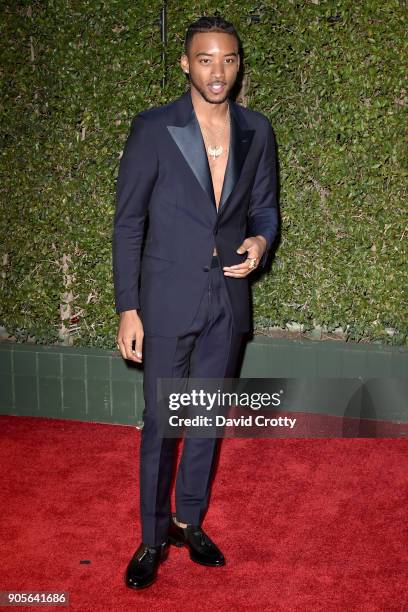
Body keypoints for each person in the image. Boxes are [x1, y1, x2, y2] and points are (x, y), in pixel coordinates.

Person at [112, 15, 279, 589]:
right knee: (162, 421)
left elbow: (264, 209)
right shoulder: (153, 128)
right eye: (206, 59)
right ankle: (152, 536)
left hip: (226, 302)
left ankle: (190, 521)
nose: (218, 71)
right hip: (164, 301)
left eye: (228, 59)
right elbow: (128, 223)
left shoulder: (257, 130)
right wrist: (128, 308)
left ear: (239, 65)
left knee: (205, 421)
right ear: (186, 63)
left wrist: (260, 239)